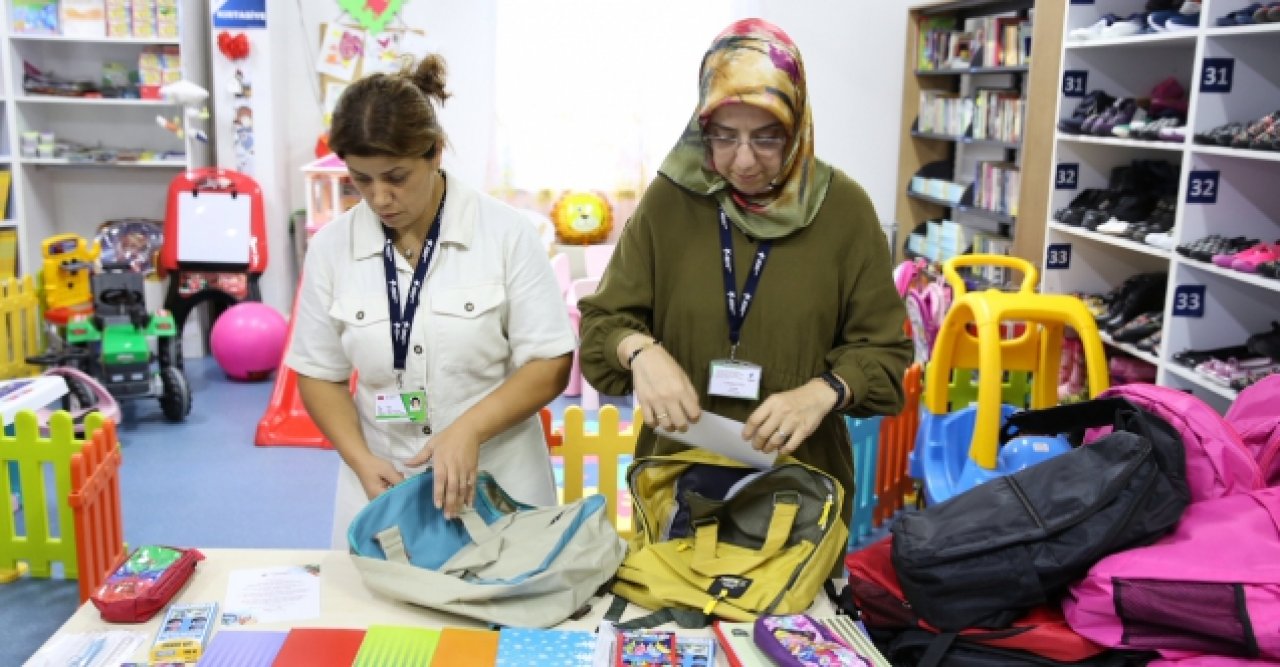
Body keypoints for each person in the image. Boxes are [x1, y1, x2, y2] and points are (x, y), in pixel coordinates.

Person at [578, 19, 912, 535]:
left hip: (800, 491)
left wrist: (825, 390)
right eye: (724, 137)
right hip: (676, 485)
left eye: (767, 137)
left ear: (797, 125)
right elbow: (604, 322)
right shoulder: (672, 200)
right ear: (702, 126)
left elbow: (885, 353)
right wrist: (639, 351)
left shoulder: (844, 209)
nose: (744, 161)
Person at [286, 55, 575, 548]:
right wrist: (360, 459)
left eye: (396, 177)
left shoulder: (505, 234)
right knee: (374, 598)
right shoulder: (333, 248)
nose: (379, 198)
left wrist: (470, 429)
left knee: (503, 592)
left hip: (498, 475)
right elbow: (318, 372)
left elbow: (549, 363)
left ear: (436, 152)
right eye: (361, 179)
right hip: (383, 480)